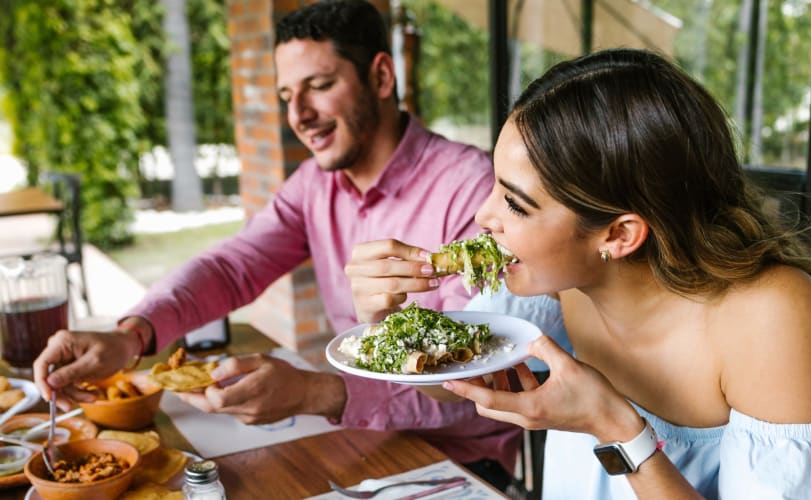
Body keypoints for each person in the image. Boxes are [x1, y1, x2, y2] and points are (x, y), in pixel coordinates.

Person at [31, 0, 520, 489]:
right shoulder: (313, 185)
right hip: (355, 438)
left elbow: (474, 385)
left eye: (320, 86)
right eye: (287, 95)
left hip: (460, 462)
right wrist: (131, 335)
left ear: (382, 77)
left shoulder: (471, 190)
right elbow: (233, 266)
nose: (298, 115)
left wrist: (316, 393)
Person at [346, 48, 811, 498]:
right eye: (495, 186)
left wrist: (615, 426)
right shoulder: (560, 286)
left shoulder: (772, 319)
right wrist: (385, 323)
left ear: (619, 235)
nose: (483, 219)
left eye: (516, 204)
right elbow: (457, 385)